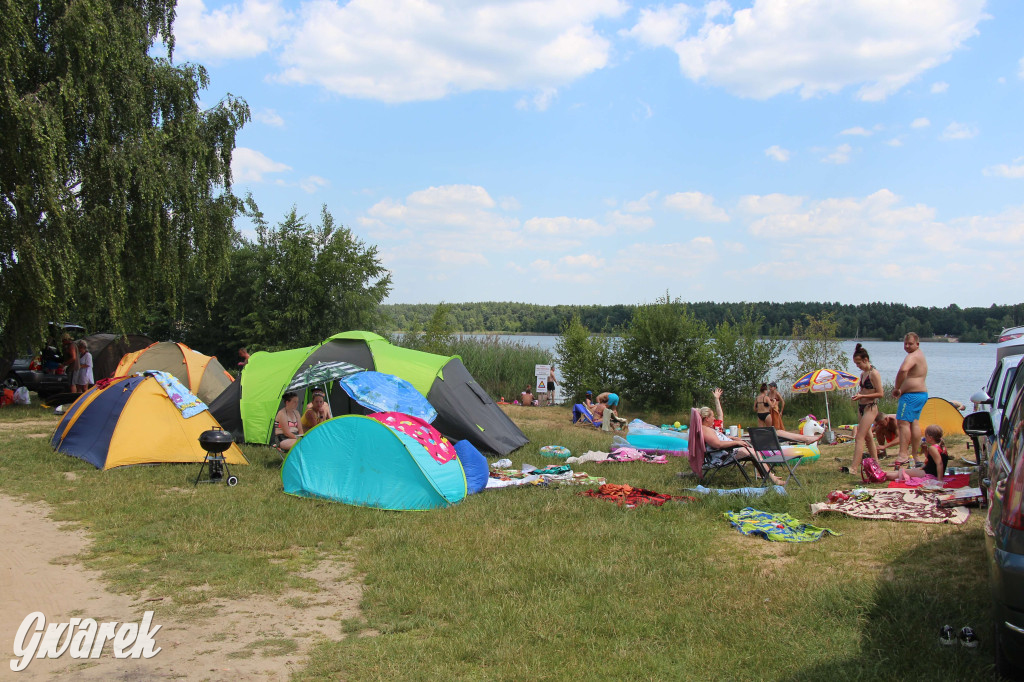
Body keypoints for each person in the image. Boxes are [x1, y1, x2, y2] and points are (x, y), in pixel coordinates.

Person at [701, 388, 784, 485]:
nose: (714, 418)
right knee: (752, 451)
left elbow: (720, 416)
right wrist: (736, 442)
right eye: (712, 417)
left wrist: (717, 399)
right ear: (706, 419)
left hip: (726, 452)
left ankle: (768, 475)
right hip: (723, 456)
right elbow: (717, 444)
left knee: (751, 450)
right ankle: (772, 479)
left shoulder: (709, 428)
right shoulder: (705, 429)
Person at [892, 332, 929, 466]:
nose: (907, 346)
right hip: (920, 394)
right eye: (905, 344)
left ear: (917, 344)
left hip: (911, 396)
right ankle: (915, 455)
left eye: (910, 344)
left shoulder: (913, 356)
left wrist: (897, 388)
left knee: (903, 423)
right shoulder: (920, 355)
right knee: (914, 422)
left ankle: (903, 455)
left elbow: (903, 370)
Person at [850, 343, 884, 473]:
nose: (858, 366)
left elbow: (880, 393)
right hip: (861, 406)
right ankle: (876, 463)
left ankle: (854, 468)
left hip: (871, 407)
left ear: (866, 359)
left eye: (859, 363)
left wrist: (862, 396)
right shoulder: (863, 374)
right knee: (868, 436)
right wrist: (859, 396)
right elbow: (864, 390)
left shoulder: (874, 373)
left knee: (859, 436)